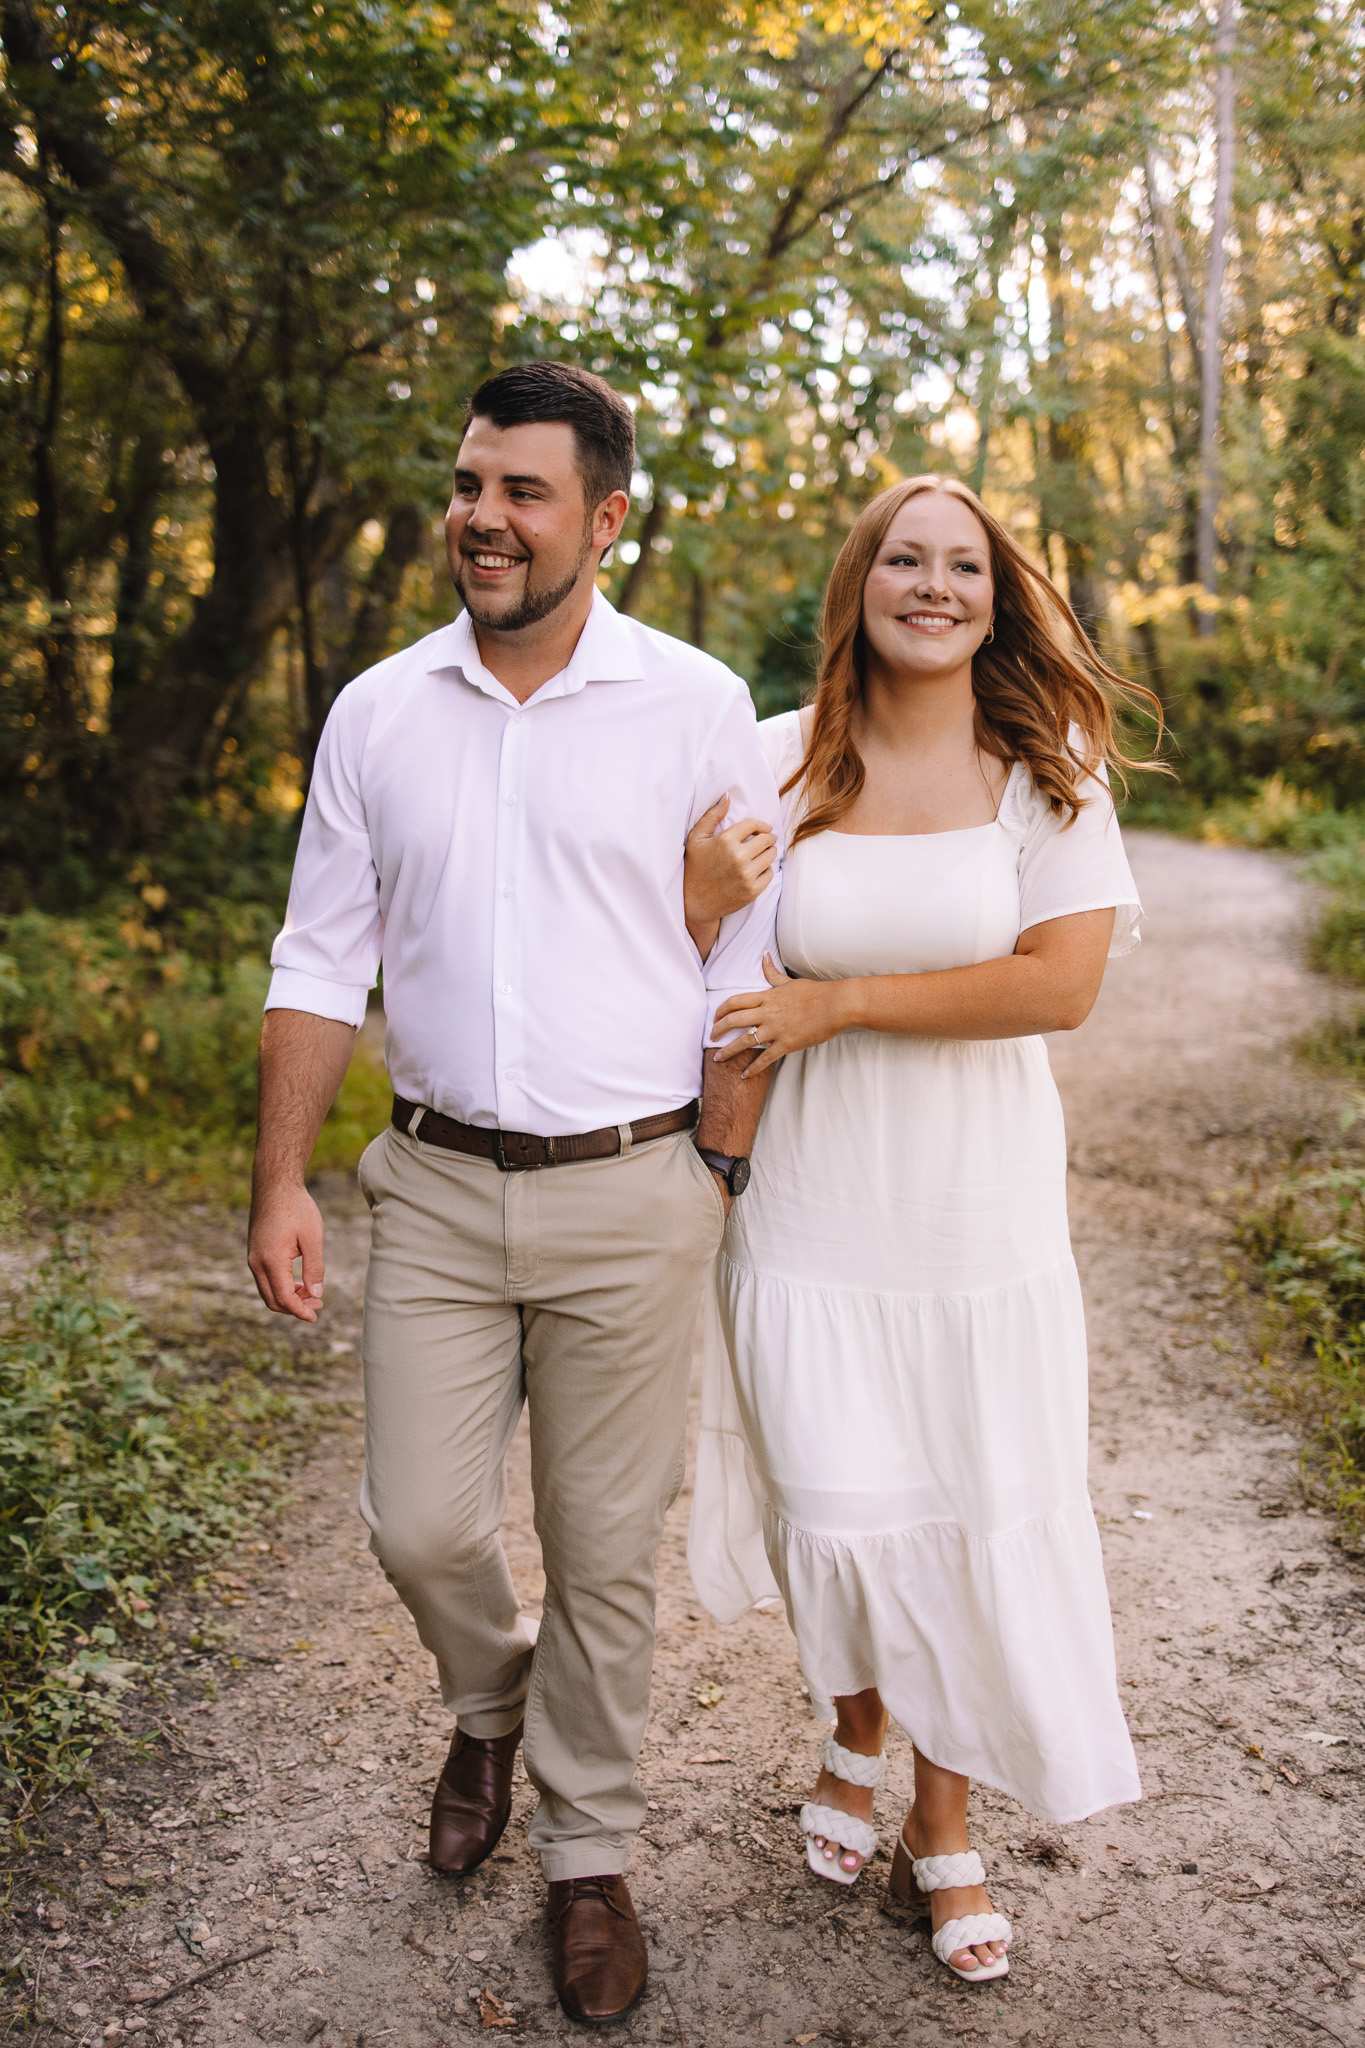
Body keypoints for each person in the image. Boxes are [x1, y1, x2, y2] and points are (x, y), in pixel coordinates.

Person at [247, 362, 781, 2027]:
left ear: (604, 519)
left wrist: (716, 1170)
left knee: (605, 1549)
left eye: (523, 491)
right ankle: (493, 1707)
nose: (482, 515)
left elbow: (744, 962)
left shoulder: (695, 703)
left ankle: (589, 1854)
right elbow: (319, 955)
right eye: (471, 483)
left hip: (634, 1190)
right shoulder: (378, 709)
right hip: (438, 1184)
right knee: (415, 1522)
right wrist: (281, 1180)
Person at [683, 474, 1153, 1986]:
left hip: (971, 1208)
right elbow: (687, 948)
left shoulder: (1045, 770)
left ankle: (937, 1825)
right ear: (861, 583)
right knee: (839, 1500)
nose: (931, 584)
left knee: (959, 1499)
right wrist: (698, 905)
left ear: (995, 596)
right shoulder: (775, 760)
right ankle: (849, 1732)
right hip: (812, 1200)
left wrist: (844, 1003)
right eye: (904, 558)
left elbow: (1056, 986)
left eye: (961, 564)